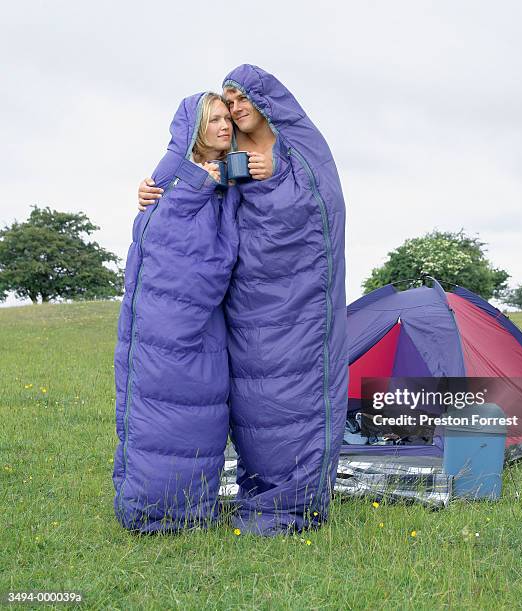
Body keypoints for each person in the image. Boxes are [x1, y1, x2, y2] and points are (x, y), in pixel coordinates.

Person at [138, 65, 348, 536]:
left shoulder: (300, 149)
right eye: (228, 103)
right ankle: (196, 500)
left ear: (266, 99)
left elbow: (325, 203)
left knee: (289, 398)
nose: (234, 109)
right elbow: (190, 188)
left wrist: (279, 175)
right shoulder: (226, 150)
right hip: (242, 299)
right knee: (251, 402)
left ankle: (287, 503)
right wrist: (153, 191)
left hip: (295, 300)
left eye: (240, 98)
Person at [114, 92, 239, 533]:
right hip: (163, 321)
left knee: (200, 417)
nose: (224, 126)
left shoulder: (231, 171)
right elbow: (159, 235)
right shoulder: (175, 173)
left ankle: (189, 508)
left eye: (228, 119)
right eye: (214, 120)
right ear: (194, 128)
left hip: (206, 320)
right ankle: (156, 508)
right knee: (160, 413)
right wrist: (190, 187)